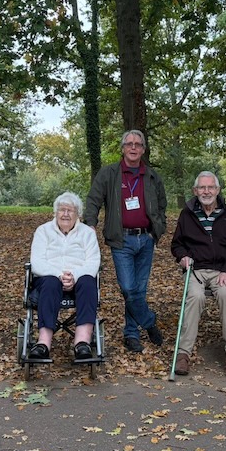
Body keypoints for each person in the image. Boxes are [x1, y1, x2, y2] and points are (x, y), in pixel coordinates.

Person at [83, 130, 167, 353]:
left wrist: (156, 231)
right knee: (129, 289)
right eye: (129, 144)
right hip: (121, 240)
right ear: (122, 148)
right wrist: (90, 223)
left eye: (138, 144)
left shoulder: (151, 176)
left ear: (143, 149)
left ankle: (131, 334)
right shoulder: (109, 173)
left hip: (146, 238)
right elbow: (93, 200)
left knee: (140, 289)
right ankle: (149, 322)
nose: (133, 148)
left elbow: (161, 206)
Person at [170, 172, 226, 378]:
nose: (206, 191)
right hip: (196, 269)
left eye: (210, 187)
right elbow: (177, 244)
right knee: (195, 297)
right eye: (202, 188)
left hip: (223, 268)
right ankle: (183, 354)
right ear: (195, 191)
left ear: (218, 190)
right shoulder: (187, 214)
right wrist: (183, 257)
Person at [27, 192, 101, 361]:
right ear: (55, 212)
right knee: (51, 283)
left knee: (89, 282)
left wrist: (74, 275)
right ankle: (43, 343)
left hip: (80, 279)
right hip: (49, 278)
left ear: (78, 214)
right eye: (62, 210)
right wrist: (60, 275)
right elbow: (37, 262)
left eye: (71, 210)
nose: (66, 214)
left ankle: (82, 342)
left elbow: (93, 262)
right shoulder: (43, 231)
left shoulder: (87, 233)